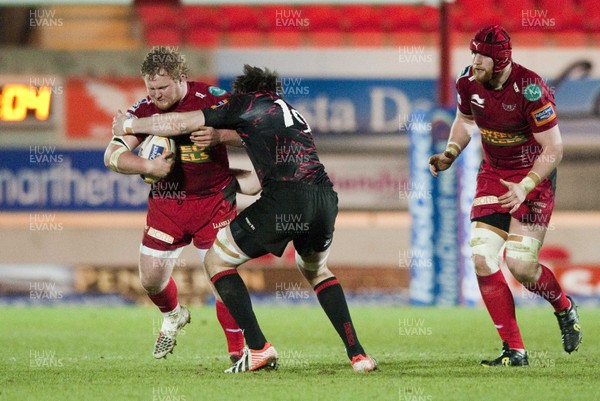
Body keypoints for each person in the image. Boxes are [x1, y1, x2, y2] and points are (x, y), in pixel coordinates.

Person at [112, 64, 377, 374]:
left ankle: (258, 348)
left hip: (284, 201)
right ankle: (359, 356)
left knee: (216, 262)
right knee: (317, 271)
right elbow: (256, 158)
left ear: (247, 91)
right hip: (324, 198)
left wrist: (131, 125)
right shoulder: (290, 112)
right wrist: (222, 149)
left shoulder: (247, 102)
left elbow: (181, 121)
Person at [429, 25, 582, 366]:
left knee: (521, 267)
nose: (474, 62)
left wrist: (525, 185)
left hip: (533, 178)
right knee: (482, 258)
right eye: (472, 54)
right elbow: (464, 122)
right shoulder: (467, 82)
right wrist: (450, 153)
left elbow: (554, 148)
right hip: (494, 176)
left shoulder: (531, 89)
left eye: (480, 56)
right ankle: (515, 350)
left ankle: (564, 307)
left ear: (500, 61)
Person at [104, 47, 258, 363]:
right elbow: (112, 156)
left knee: (222, 279)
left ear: (181, 79)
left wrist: (218, 136)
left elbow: (253, 132)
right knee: (150, 280)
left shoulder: (212, 98)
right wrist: (147, 167)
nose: (157, 95)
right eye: (151, 89)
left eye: (163, 88)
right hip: (167, 206)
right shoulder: (143, 110)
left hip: (212, 204)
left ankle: (239, 353)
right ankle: (173, 315)